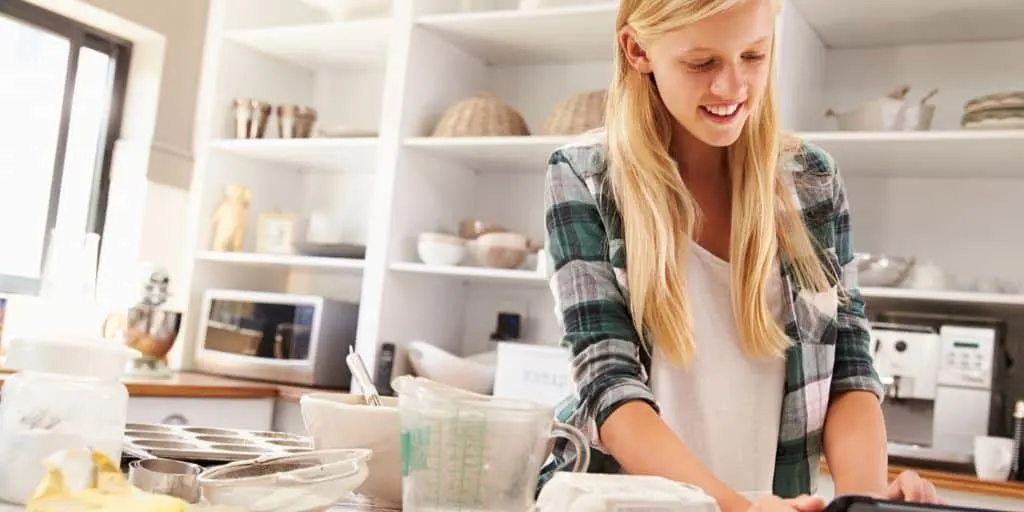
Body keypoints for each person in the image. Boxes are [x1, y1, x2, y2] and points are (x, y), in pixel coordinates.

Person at [539, 1, 940, 511]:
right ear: (637, 50)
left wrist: (865, 501)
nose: (732, 87)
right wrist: (737, 509)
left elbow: (850, 370)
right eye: (702, 63)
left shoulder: (812, 181)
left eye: (753, 55)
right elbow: (608, 387)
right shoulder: (586, 178)